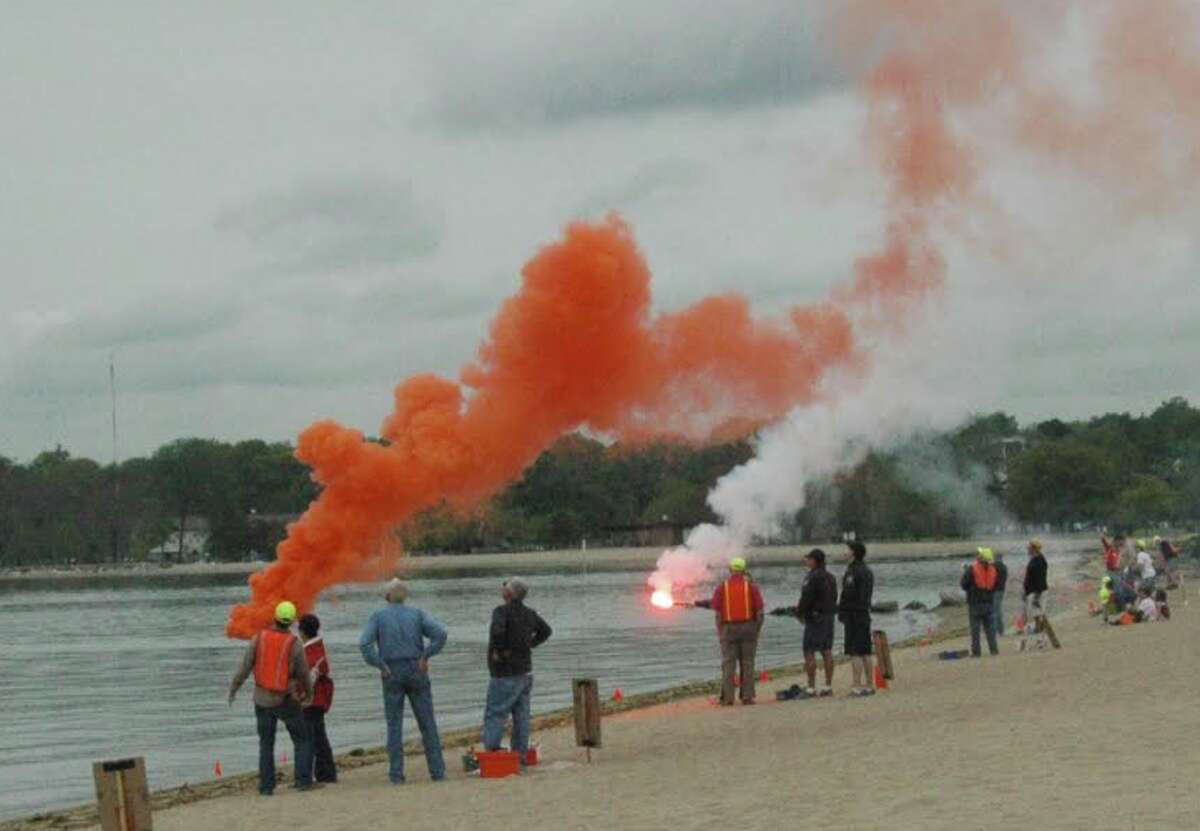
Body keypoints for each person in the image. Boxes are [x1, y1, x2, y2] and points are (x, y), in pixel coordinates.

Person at [359, 579, 448, 784]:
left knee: (394, 725)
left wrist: (380, 665)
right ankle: (437, 771)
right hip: (416, 668)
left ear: (387, 596)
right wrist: (426, 655)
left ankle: (396, 775)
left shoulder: (379, 616)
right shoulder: (417, 614)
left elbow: (364, 644)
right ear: (405, 596)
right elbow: (440, 634)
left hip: (391, 671)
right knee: (427, 722)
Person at [228, 600, 315, 796]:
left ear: (275, 617)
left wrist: (234, 689)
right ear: (291, 621)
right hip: (286, 700)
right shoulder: (294, 643)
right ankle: (303, 781)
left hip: (261, 699)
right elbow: (304, 674)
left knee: (266, 744)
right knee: (302, 739)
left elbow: (244, 668)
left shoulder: (258, 638)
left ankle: (266, 787)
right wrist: (309, 694)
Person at [483, 577, 553, 760]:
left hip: (504, 672)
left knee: (496, 713)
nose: (502, 589)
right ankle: (520, 755)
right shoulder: (530, 613)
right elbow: (546, 631)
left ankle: (492, 753)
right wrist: (529, 644)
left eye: (505, 586)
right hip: (525, 671)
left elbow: (497, 632)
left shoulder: (501, 611)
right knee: (521, 715)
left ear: (509, 593)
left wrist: (499, 651)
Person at [711, 557, 765, 705]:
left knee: (728, 664)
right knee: (747, 663)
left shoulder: (722, 587)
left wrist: (720, 631)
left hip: (728, 629)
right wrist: (757, 630)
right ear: (744, 570)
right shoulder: (752, 587)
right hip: (749, 628)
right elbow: (760, 612)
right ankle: (747, 696)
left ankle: (728, 698)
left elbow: (717, 612)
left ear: (730, 570)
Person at [298, 614, 337, 784]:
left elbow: (309, 679)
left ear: (302, 631)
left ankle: (311, 775)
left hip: (311, 700)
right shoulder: (318, 649)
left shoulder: (310, 652)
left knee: (309, 739)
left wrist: (299, 698)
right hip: (319, 700)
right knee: (319, 736)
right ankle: (326, 773)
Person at [795, 548, 838, 699]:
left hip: (814, 618)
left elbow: (806, 597)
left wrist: (800, 613)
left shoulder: (811, 577)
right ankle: (828, 686)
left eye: (808, 559)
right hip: (829, 617)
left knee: (809, 651)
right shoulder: (831, 577)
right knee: (827, 650)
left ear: (814, 561)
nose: (806, 561)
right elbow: (834, 597)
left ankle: (811, 688)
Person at [838, 541, 876, 696]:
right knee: (866, 650)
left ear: (853, 552)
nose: (844, 552)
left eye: (847, 549)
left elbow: (848, 594)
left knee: (855, 651)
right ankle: (869, 684)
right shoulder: (867, 570)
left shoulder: (853, 571)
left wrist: (843, 611)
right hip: (864, 612)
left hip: (854, 614)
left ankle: (857, 684)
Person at [961, 547, 999, 657]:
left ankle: (976, 652)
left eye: (979, 554)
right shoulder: (993, 570)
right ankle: (994, 650)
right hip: (988, 603)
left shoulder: (972, 568)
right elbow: (995, 586)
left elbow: (963, 584)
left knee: (975, 629)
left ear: (981, 557)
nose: (977, 555)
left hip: (975, 604)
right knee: (990, 629)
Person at [1021, 540, 1049, 650]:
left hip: (1038, 593)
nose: (1027, 549)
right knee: (1036, 617)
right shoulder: (1034, 559)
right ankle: (1039, 640)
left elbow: (1040, 579)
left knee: (1038, 617)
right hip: (1032, 592)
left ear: (1034, 548)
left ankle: (1041, 641)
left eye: (1028, 548)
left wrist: (1037, 595)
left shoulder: (1040, 561)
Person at [992, 550, 1009, 636]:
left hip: (994, 590)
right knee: (998, 609)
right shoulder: (1004, 567)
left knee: (995, 610)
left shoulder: (993, 566)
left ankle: (995, 631)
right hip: (1001, 590)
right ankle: (1001, 630)